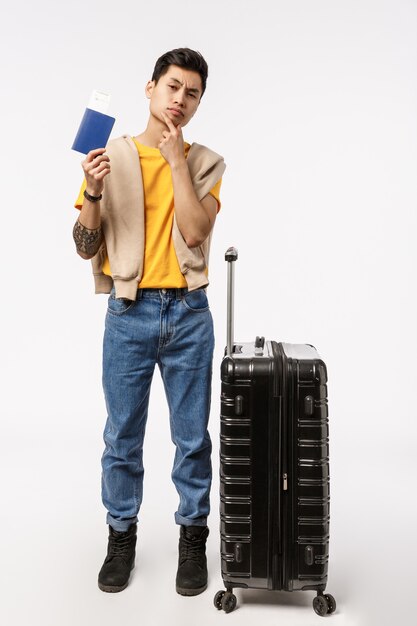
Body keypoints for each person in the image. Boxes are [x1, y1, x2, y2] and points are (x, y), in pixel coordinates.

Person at [72, 48, 225, 596]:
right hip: (128, 313)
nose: (180, 100)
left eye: (192, 93)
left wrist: (176, 160)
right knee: (121, 439)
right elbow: (85, 244)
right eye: (173, 87)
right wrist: (91, 189)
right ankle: (120, 537)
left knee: (192, 440)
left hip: (188, 314)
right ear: (150, 88)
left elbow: (194, 233)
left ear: (199, 102)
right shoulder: (110, 156)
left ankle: (192, 539)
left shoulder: (206, 162)